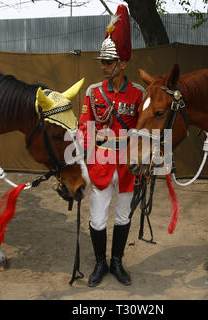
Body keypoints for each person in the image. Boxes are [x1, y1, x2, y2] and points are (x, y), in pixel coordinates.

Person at [78, 4, 145, 287]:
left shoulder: (138, 94)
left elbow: (145, 133)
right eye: (102, 63)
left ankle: (117, 261)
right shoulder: (93, 92)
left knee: (122, 215)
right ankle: (99, 263)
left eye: (108, 62)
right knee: (96, 217)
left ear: (123, 63)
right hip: (101, 163)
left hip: (128, 166)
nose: (103, 67)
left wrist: (145, 160)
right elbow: (84, 129)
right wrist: (81, 159)